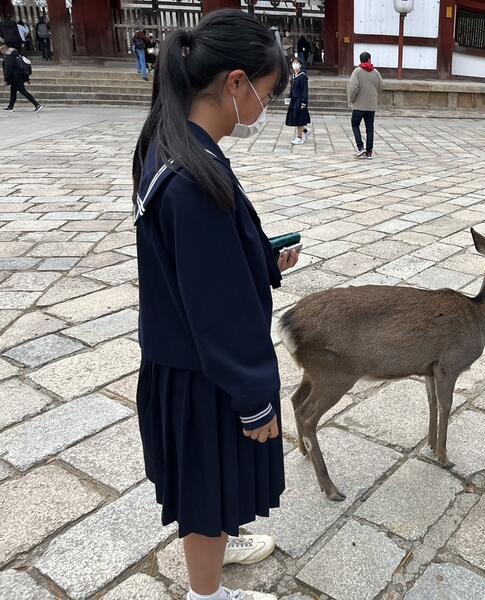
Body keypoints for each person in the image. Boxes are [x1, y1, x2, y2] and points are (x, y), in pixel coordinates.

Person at [131, 10, 297, 600]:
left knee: (213, 486)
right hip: (207, 373)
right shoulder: (197, 182)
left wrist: (259, 258)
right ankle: (207, 593)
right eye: (268, 91)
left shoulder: (168, 141)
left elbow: (193, 266)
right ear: (235, 83)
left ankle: (218, 549)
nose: (266, 105)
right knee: (206, 494)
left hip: (183, 357)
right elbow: (218, 312)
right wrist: (255, 399)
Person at [347, 51, 383, 159]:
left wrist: (352, 99)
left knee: (355, 124)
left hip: (359, 105)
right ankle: (369, 152)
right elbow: (381, 86)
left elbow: (353, 87)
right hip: (371, 105)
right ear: (369, 59)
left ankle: (360, 147)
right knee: (370, 128)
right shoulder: (376, 72)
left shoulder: (357, 71)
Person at [2, 41, 42, 112]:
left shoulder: (9, 57)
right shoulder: (17, 55)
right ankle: (10, 107)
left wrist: (6, 80)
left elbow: (9, 69)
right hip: (18, 77)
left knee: (23, 92)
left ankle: (37, 104)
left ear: (4, 50)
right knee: (13, 92)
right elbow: (21, 67)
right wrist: (27, 78)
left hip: (15, 78)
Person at [285, 58, 310, 145]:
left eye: (297, 63)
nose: (295, 64)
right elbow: (292, 89)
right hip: (294, 100)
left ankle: (299, 138)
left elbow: (305, 90)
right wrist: (289, 97)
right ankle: (305, 131)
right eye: (294, 63)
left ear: (300, 65)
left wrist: (304, 102)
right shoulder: (294, 75)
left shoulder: (303, 76)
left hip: (300, 100)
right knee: (294, 118)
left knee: (299, 120)